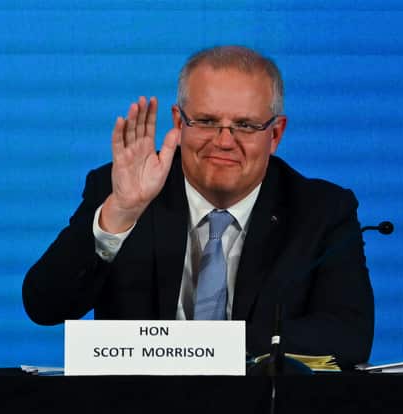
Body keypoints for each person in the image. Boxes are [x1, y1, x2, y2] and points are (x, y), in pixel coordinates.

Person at [23, 45, 374, 368]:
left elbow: (349, 335)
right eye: (206, 122)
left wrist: (202, 346)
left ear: (276, 134)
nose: (224, 141)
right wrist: (121, 213)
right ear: (179, 122)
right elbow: (44, 306)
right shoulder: (123, 188)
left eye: (245, 125)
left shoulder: (320, 210)